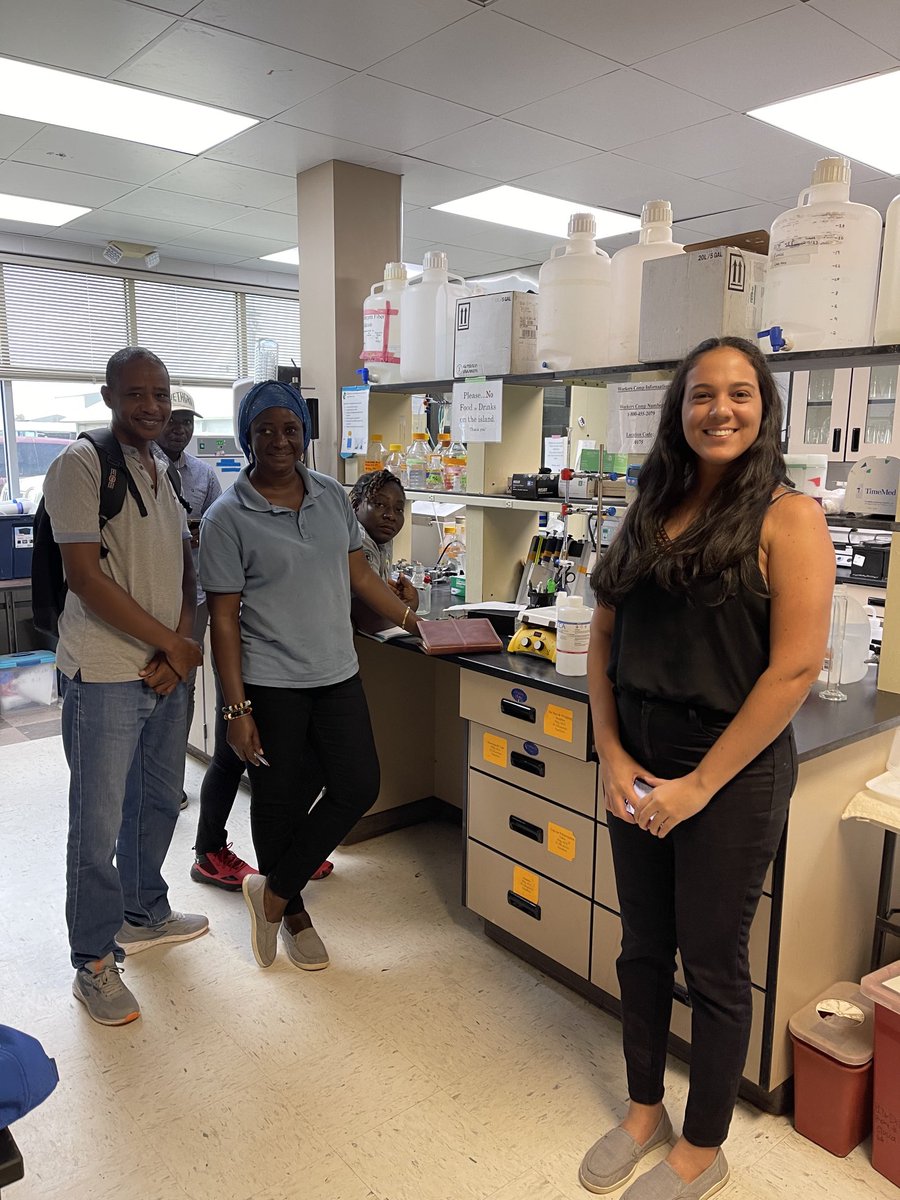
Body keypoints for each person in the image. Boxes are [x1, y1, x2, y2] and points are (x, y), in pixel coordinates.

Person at [580, 337, 834, 1199]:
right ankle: (643, 1109)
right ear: (678, 410)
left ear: (764, 409)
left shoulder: (788, 517)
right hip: (637, 752)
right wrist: (612, 752)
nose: (719, 409)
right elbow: (604, 638)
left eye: (739, 394)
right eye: (701, 394)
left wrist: (697, 787)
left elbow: (793, 671)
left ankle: (703, 1145)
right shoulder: (651, 504)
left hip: (730, 767)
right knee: (643, 947)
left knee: (714, 962)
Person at [199, 380, 420, 971]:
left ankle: (271, 893)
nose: (280, 440)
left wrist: (415, 621)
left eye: (291, 428)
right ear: (246, 436)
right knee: (278, 798)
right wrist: (236, 709)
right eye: (265, 429)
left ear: (305, 433)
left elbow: (360, 576)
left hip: (336, 672)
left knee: (358, 784)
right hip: (270, 680)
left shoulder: (329, 496)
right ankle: (294, 913)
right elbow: (224, 621)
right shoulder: (226, 517)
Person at [42, 347, 209, 1028]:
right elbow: (84, 577)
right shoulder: (80, 465)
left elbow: (183, 569)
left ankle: (143, 910)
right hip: (105, 674)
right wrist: (173, 643)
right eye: (136, 393)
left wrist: (178, 647)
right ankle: (93, 960)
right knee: (98, 822)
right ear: (109, 395)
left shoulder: (161, 467)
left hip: (163, 671)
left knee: (159, 800)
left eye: (161, 394)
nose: (151, 406)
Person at [154, 388, 221, 812]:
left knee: (183, 685)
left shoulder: (203, 475)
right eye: (173, 421)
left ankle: (171, 781)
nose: (179, 429)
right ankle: (145, 777)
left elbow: (219, 528)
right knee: (146, 681)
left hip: (192, 596)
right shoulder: (138, 467)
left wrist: (199, 534)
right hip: (147, 596)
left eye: (187, 422)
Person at [348, 468, 418, 630]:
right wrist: (410, 606)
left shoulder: (380, 536)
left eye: (398, 509)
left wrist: (388, 595)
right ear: (356, 506)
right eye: (379, 504)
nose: (391, 516)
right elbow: (369, 620)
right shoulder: (358, 538)